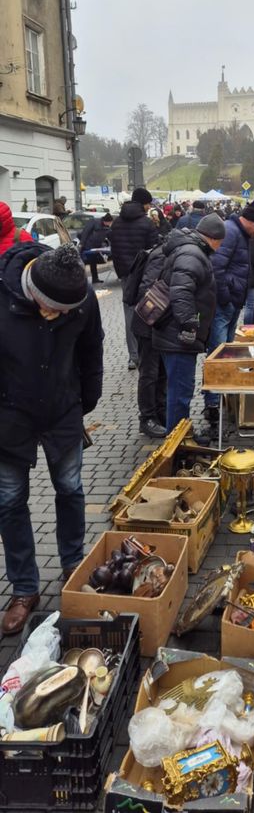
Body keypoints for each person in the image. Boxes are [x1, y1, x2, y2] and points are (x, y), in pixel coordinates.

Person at [0, 243, 103, 634]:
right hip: (9, 416)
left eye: (66, 311)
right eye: (52, 310)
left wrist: (86, 399)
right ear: (32, 292)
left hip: (63, 409)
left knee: (71, 489)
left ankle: (73, 565)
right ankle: (25, 589)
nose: (58, 316)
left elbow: (92, 347)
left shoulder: (80, 296)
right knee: (9, 502)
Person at [153, 214, 225, 431]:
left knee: (179, 389)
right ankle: (177, 443)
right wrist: (190, 325)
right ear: (213, 238)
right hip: (178, 336)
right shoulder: (193, 254)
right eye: (220, 243)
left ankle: (179, 434)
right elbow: (181, 292)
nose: (220, 248)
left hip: (174, 334)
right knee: (180, 391)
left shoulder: (192, 251)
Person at [203, 198, 254, 422]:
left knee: (226, 352)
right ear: (251, 221)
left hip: (232, 301)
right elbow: (216, 268)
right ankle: (213, 402)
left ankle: (224, 397)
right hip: (225, 303)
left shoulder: (240, 233)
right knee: (218, 353)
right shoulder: (231, 232)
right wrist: (226, 298)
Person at [110, 187, 159, 369]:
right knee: (148, 312)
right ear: (143, 203)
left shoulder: (116, 222)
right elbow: (155, 251)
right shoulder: (147, 224)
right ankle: (147, 352)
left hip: (126, 275)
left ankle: (133, 356)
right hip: (145, 275)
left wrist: (122, 271)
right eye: (148, 204)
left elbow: (114, 250)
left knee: (129, 314)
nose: (149, 207)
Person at [131, 244, 168, 439]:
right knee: (149, 373)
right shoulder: (162, 255)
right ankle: (147, 418)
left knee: (161, 371)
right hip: (148, 323)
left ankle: (160, 412)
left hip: (158, 325)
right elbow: (146, 290)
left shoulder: (169, 253)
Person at [78, 213, 113, 284]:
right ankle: (80, 280)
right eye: (109, 222)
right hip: (87, 245)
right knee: (83, 263)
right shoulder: (94, 222)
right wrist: (82, 244)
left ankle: (95, 278)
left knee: (93, 262)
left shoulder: (107, 227)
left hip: (96, 247)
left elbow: (110, 236)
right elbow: (85, 232)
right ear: (105, 221)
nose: (110, 224)